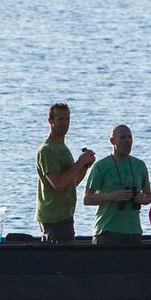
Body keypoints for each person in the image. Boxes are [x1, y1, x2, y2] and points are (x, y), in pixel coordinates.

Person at [35, 103, 97, 243]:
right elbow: (58, 184)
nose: (64, 123)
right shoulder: (47, 150)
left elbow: (71, 182)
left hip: (66, 217)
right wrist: (80, 162)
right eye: (60, 119)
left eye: (67, 119)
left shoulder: (62, 147)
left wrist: (85, 166)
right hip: (53, 219)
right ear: (50, 121)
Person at [83, 124, 151, 246]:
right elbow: (87, 199)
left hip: (133, 230)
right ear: (112, 141)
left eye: (130, 137)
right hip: (107, 230)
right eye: (123, 137)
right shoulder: (101, 166)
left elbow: (149, 196)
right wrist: (111, 196)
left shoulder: (139, 165)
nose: (127, 141)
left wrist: (143, 198)